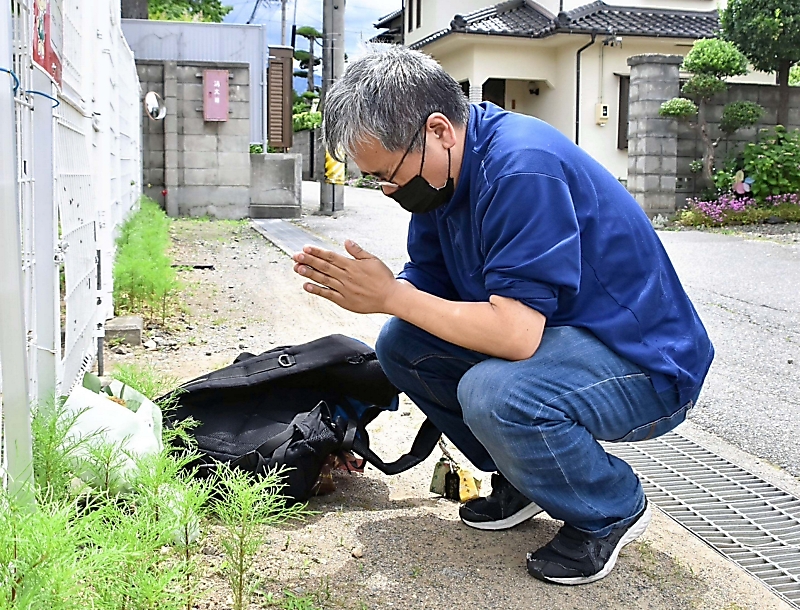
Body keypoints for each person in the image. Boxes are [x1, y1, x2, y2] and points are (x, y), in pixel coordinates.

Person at [291, 46, 714, 585]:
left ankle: (609, 505)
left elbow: (515, 336)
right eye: (377, 181)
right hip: (563, 335)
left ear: (439, 130)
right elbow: (430, 281)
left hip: (645, 362)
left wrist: (391, 296)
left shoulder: (521, 168)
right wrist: (387, 292)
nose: (389, 192)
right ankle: (525, 479)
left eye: (389, 175)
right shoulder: (442, 179)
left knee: (496, 393)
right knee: (402, 343)